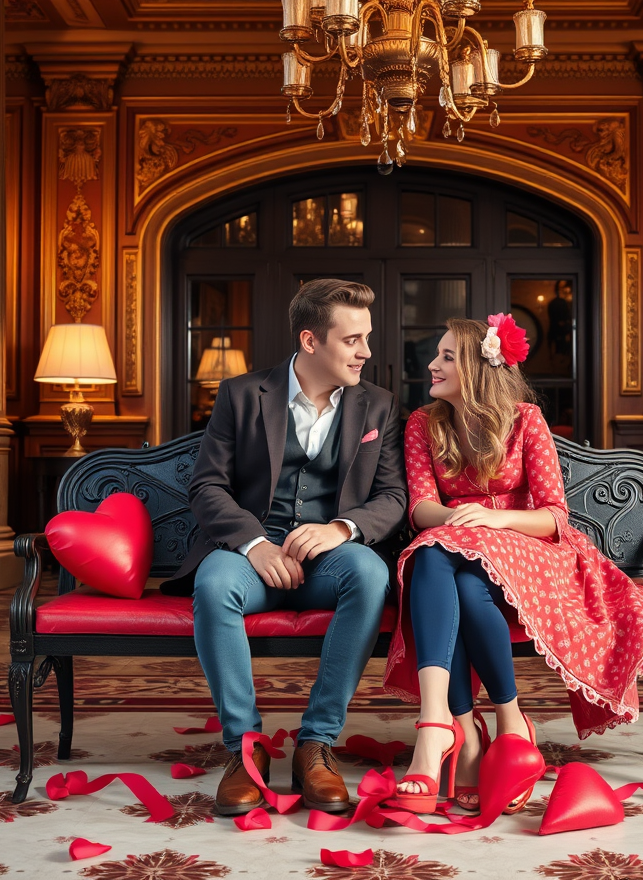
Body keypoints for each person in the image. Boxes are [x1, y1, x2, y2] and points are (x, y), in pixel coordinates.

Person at [383, 315, 643, 814]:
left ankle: (468, 725)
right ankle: (464, 724)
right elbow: (421, 508)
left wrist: (493, 519)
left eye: (447, 357)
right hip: (455, 547)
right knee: (440, 560)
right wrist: (463, 521)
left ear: (479, 369)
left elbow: (554, 515)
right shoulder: (424, 423)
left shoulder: (526, 419)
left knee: (439, 557)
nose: (432, 364)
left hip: (529, 550)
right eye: (437, 355)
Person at [165, 278, 408, 816]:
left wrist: (340, 528)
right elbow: (207, 486)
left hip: (329, 562)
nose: (366, 352)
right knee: (214, 582)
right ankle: (244, 749)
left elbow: (393, 496)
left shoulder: (378, 405)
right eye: (352, 340)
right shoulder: (241, 394)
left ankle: (316, 743)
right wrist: (253, 544)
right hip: (251, 560)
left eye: (367, 338)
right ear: (310, 341)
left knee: (369, 574)